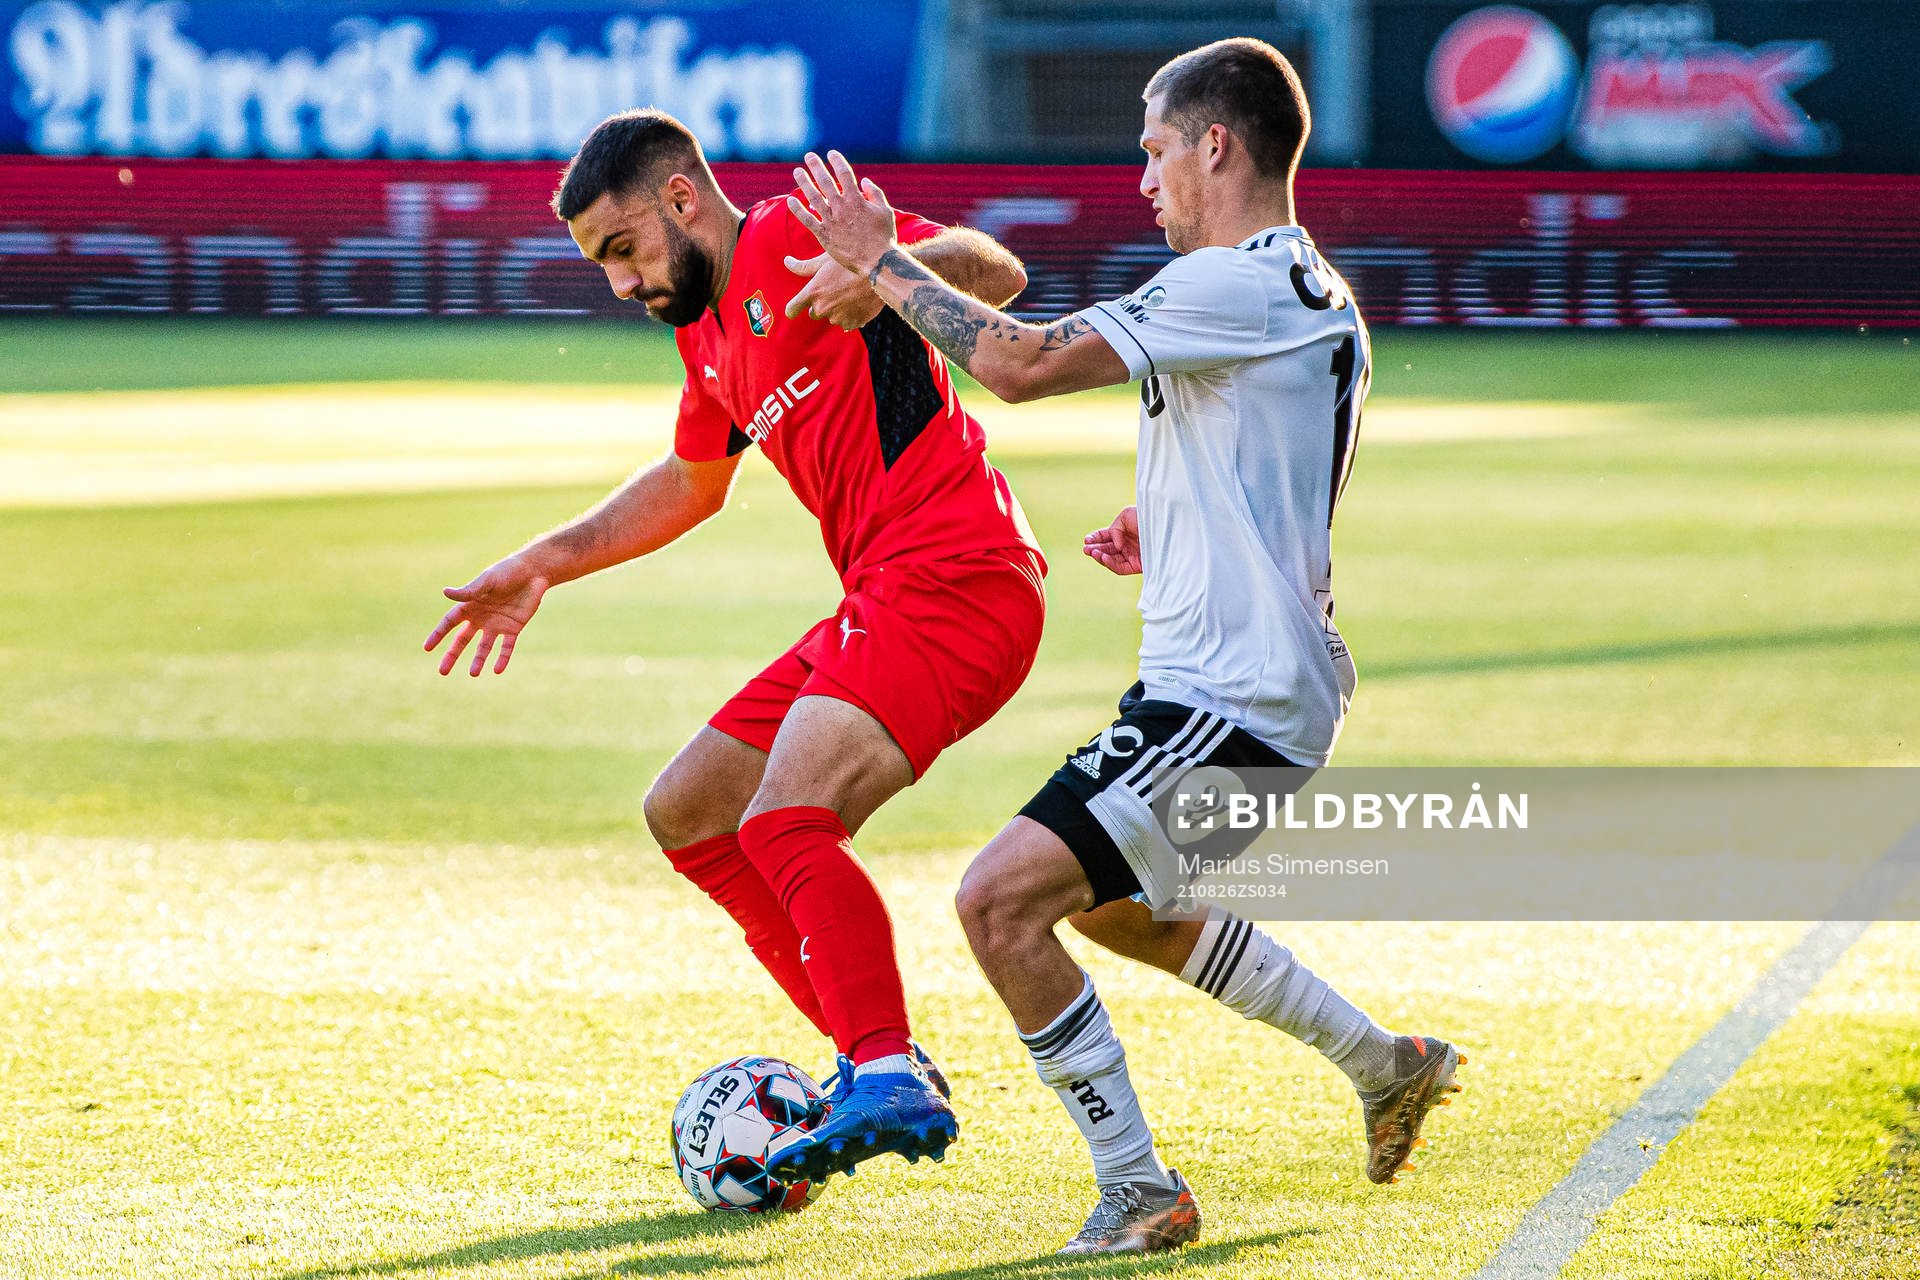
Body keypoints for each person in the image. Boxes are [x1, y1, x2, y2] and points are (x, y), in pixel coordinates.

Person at [790, 38, 1464, 1254]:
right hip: (1247, 689)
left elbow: (1015, 360)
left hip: (1234, 696)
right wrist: (1170, 514)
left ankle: (1139, 1187)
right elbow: (1282, 459)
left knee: (998, 901)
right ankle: (1387, 1060)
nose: (1142, 177)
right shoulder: (1305, 290)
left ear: (1218, 143)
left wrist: (878, 259)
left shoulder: (1235, 283)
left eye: (1154, 148)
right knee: (1104, 908)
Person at [423, 109, 1047, 1178]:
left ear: (678, 199)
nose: (619, 283)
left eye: (621, 249)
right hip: (885, 593)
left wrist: (888, 265)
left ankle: (884, 1062)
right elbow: (690, 483)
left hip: (959, 573)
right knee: (693, 810)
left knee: (788, 817)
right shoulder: (705, 337)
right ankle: (873, 1056)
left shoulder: (786, 236)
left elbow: (1000, 271)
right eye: (598, 266)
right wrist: (544, 562)